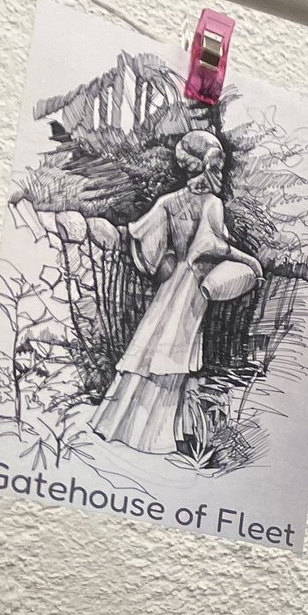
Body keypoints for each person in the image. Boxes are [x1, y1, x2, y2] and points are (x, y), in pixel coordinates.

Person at [91, 130, 260, 454]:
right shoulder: (212, 203)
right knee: (173, 352)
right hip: (193, 285)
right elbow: (209, 245)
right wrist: (246, 259)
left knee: (153, 346)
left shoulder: (168, 202)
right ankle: (155, 439)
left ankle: (122, 424)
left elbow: (143, 238)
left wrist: (166, 260)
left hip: (171, 285)